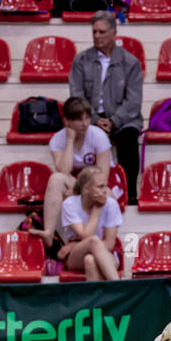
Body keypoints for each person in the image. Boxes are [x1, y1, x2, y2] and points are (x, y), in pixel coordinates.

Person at [70, 10, 142, 204]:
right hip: (90, 118)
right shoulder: (81, 61)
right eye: (94, 32)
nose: (97, 36)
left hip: (123, 118)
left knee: (128, 138)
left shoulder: (131, 63)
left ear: (114, 33)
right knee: (81, 135)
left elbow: (133, 101)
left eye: (102, 32)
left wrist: (113, 121)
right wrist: (93, 119)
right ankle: (83, 194)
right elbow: (77, 96)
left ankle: (131, 195)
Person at [33, 97, 112, 250]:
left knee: (106, 194)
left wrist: (78, 191)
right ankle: (48, 232)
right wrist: (70, 140)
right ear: (67, 121)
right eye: (80, 120)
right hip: (75, 183)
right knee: (56, 179)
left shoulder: (99, 136)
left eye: (87, 118)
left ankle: (101, 240)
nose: (85, 123)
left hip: (97, 185)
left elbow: (103, 177)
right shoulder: (57, 140)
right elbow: (63, 170)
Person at [56, 166, 124, 280]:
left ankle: (97, 297)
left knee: (90, 260)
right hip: (76, 256)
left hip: (105, 253)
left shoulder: (111, 204)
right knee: (93, 241)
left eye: (106, 186)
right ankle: (118, 286)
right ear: (86, 189)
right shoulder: (70, 204)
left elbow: (109, 244)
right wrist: (97, 210)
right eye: (100, 186)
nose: (105, 191)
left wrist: (74, 245)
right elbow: (85, 236)